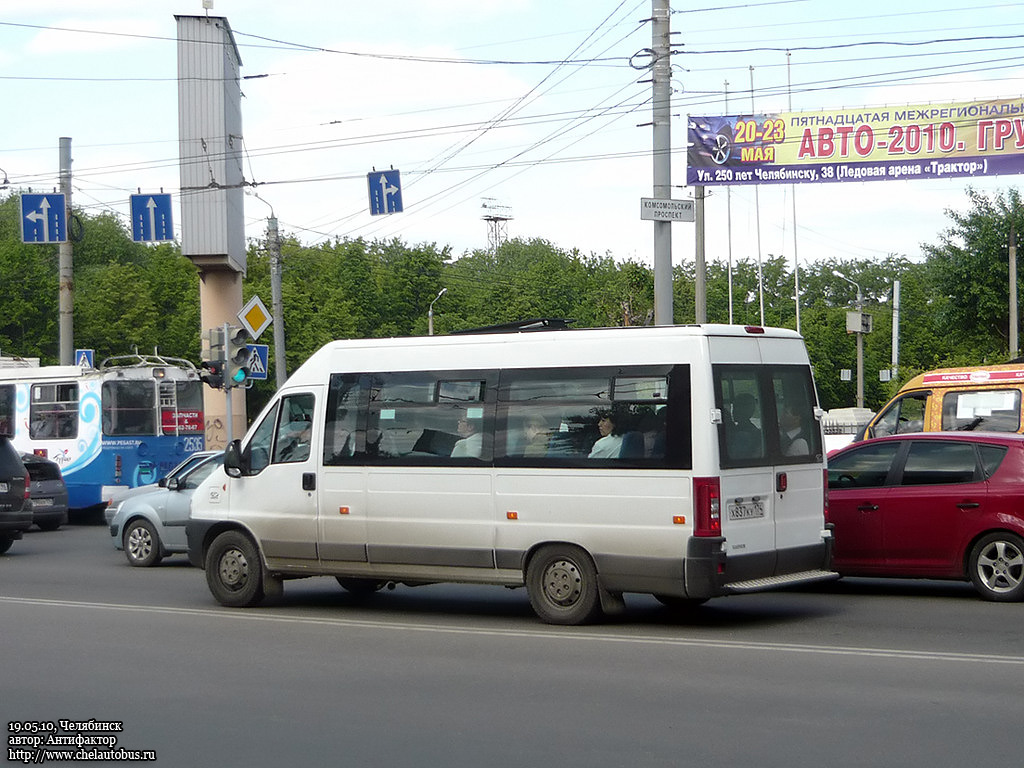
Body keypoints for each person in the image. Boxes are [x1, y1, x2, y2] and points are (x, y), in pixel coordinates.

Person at [727, 393, 761, 459]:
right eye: (733, 407)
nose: (733, 411)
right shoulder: (737, 428)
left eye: (736, 407)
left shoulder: (743, 434)